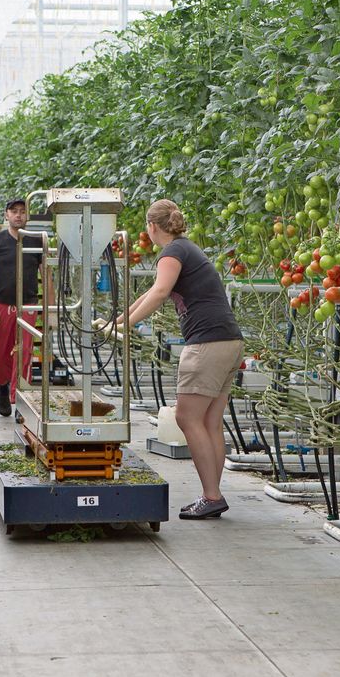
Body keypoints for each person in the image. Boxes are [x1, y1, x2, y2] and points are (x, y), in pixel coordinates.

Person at [113, 199, 243, 520]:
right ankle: (213, 494)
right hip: (229, 340)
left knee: (187, 418)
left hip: (207, 344)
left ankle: (211, 495)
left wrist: (126, 326)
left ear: (152, 227)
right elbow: (152, 291)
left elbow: (159, 293)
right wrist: (121, 318)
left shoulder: (171, 253)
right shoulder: (186, 249)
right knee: (210, 421)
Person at [0, 198, 42, 417]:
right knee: (1, 353)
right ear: (6, 214)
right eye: (14, 211)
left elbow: (47, 276)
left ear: (27, 216)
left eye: (22, 212)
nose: (18, 215)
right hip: (2, 306)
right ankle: (3, 387)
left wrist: (50, 310)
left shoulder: (36, 241)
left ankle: (21, 400)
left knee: (25, 353)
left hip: (27, 305)